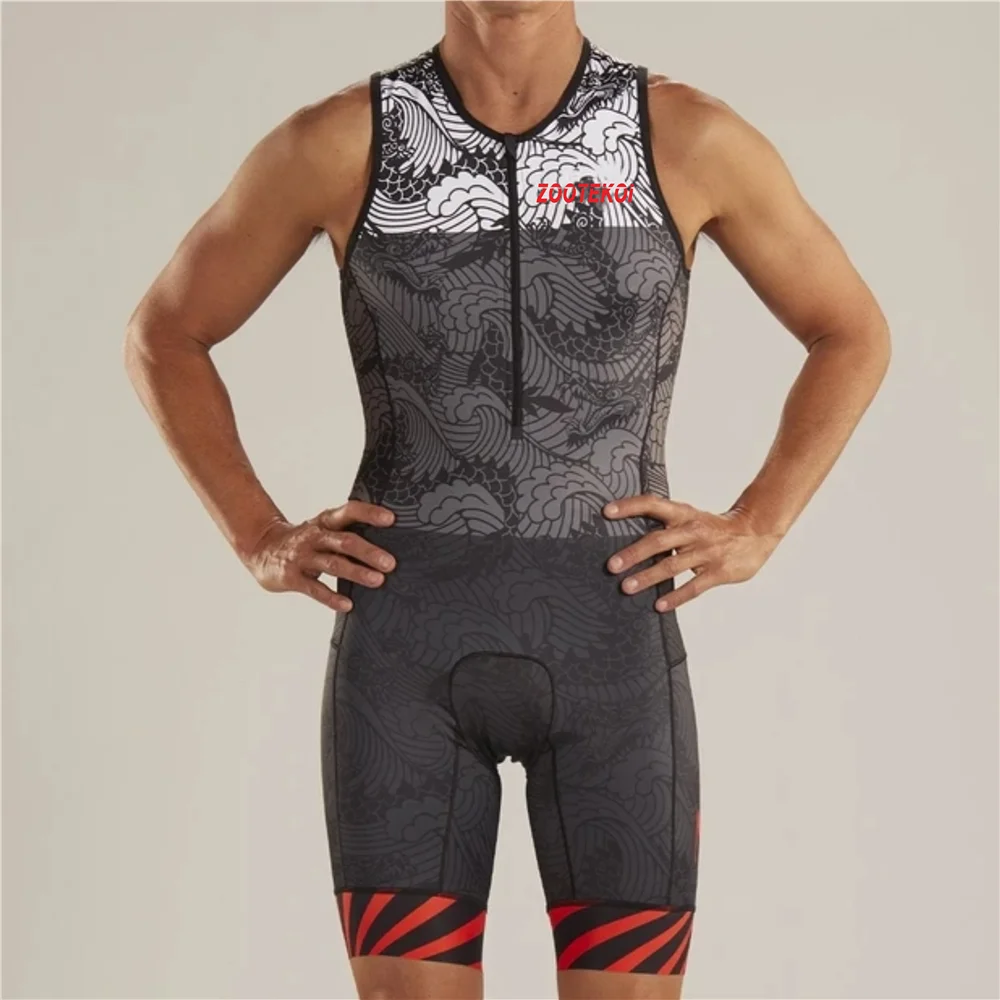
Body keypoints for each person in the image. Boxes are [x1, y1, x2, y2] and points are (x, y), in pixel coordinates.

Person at [124, 3, 890, 998]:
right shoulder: (342, 142)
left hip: (612, 648)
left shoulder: (686, 137)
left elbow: (849, 329)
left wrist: (760, 523)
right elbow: (166, 332)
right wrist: (257, 534)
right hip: (406, 654)